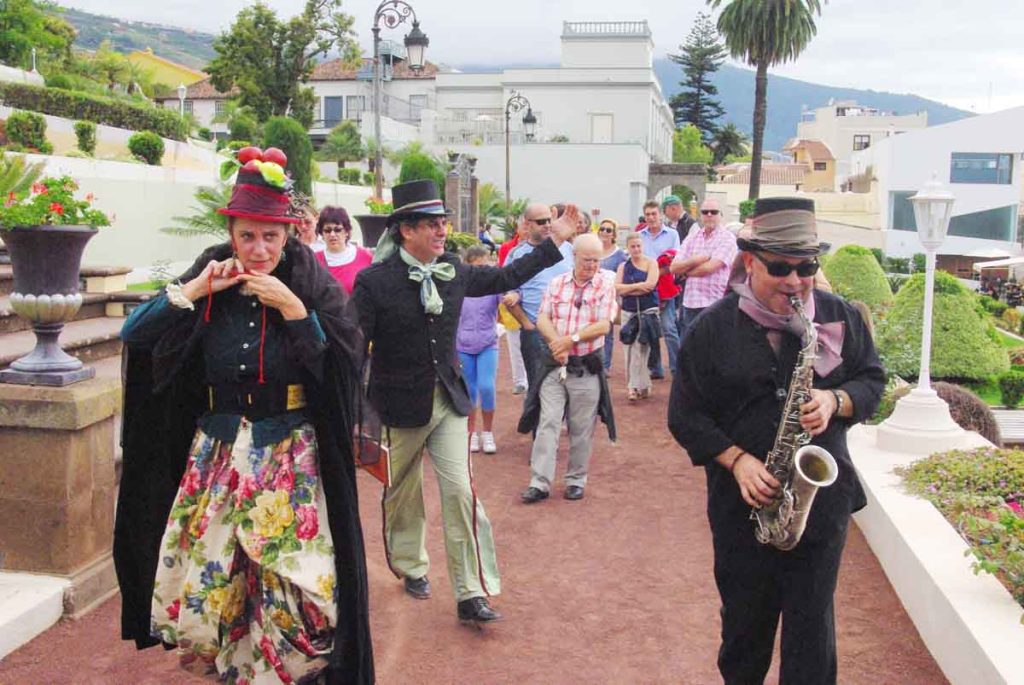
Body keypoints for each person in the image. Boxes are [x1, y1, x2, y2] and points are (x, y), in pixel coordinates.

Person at [115, 159, 373, 683]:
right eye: (248, 235)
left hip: (288, 455)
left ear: (288, 234)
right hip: (216, 454)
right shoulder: (211, 272)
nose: (259, 248)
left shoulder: (309, 282)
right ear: (231, 233)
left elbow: (343, 367)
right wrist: (193, 293)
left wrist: (297, 311)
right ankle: (234, 670)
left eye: (270, 236)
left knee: (291, 586)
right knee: (221, 580)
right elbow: (134, 336)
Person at [668, 197, 885, 685]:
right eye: (781, 267)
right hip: (742, 508)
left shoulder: (839, 316)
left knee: (812, 633)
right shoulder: (711, 328)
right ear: (750, 261)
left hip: (820, 505)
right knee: (744, 632)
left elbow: (873, 382)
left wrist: (836, 401)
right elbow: (685, 415)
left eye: (806, 266)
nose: (795, 281)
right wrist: (737, 460)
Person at [352, 180, 577, 625]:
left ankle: (470, 592)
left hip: (449, 402)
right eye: (433, 225)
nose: (442, 231)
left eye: (443, 223)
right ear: (405, 231)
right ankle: (411, 564)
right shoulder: (374, 282)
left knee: (460, 491)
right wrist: (357, 411)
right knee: (402, 495)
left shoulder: (454, 270)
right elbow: (356, 347)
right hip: (398, 408)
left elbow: (508, 276)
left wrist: (555, 239)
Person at [519, 233, 618, 503]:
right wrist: (556, 344)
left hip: (585, 367)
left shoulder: (605, 284)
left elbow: (604, 325)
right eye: (587, 260)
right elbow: (542, 317)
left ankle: (576, 479)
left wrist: (569, 341)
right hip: (555, 367)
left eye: (596, 260)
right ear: (574, 257)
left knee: (581, 427)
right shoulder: (556, 283)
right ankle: (539, 482)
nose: (592, 265)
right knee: (547, 422)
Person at [503, 204, 575, 392]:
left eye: (549, 220)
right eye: (541, 221)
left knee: (570, 387)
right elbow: (507, 293)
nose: (547, 225)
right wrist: (527, 324)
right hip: (535, 332)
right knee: (537, 389)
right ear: (527, 225)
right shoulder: (516, 254)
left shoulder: (568, 249)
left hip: (566, 330)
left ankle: (560, 422)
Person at [670, 198, 738, 341]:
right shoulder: (693, 237)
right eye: (705, 212)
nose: (709, 215)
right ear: (700, 215)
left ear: (720, 215)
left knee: (713, 351)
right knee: (689, 351)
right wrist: (697, 259)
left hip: (715, 303)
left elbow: (710, 268)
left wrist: (686, 272)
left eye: (713, 212)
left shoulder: (728, 238)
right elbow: (674, 267)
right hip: (690, 303)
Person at [457, 245, 502, 454]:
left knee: (487, 387)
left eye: (485, 267)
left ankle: (488, 432)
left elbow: (507, 300)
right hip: (463, 345)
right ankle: (471, 432)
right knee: (470, 390)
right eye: (477, 268)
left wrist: (513, 298)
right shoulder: (459, 287)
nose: (482, 272)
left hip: (487, 343)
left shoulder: (494, 286)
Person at [638, 200, 681, 380]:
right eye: (647, 214)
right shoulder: (638, 235)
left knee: (669, 329)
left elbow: (676, 260)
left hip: (665, 289)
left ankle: (677, 368)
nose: (651, 217)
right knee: (648, 331)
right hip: (646, 289)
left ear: (660, 214)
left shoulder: (672, 234)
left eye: (654, 214)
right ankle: (655, 369)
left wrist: (656, 273)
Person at [615, 232, 659, 401]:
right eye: (632, 246)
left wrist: (630, 287)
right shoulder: (623, 267)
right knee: (630, 349)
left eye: (639, 246)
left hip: (648, 312)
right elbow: (618, 287)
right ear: (628, 248)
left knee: (645, 349)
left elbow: (650, 285)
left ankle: (644, 384)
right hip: (629, 312)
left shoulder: (651, 263)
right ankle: (632, 386)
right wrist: (638, 287)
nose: (636, 249)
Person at [498, 219, 530, 394]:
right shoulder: (507, 248)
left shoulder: (541, 248)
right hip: (512, 299)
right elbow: (502, 274)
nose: (526, 229)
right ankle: (519, 380)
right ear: (517, 228)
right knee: (514, 342)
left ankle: (532, 377)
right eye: (523, 226)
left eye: (529, 225)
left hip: (531, 301)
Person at [315, 205, 373, 294]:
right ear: (321, 233)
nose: (332, 234)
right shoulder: (314, 260)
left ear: (346, 231)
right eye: (327, 230)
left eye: (337, 230)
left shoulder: (366, 256)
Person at [598, 219, 628, 376]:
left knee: (607, 332)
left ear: (614, 234)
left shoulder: (619, 255)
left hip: (610, 297)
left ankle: (605, 365)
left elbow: (622, 276)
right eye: (602, 229)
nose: (604, 232)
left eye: (608, 230)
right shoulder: (594, 251)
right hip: (592, 298)